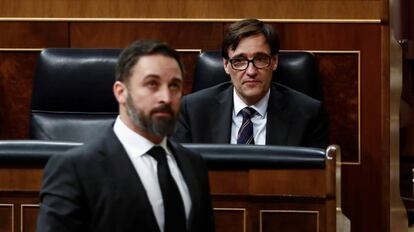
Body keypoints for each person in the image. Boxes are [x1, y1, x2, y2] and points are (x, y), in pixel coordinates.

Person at [36, 40, 215, 232]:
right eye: (152, 84)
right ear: (121, 92)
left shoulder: (193, 164)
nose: (166, 97)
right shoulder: (75, 169)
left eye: (174, 85)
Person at [172, 19, 328, 148]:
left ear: (274, 62)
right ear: (226, 65)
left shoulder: (308, 114)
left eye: (260, 59)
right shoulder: (192, 110)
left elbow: (314, 180)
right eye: (239, 61)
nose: (251, 71)